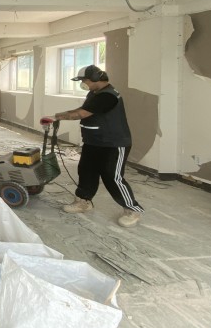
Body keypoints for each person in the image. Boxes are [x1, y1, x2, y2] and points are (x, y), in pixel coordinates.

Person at [52, 65, 144, 227]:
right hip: (93, 141)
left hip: (113, 144)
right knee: (86, 171)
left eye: (84, 80)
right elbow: (83, 109)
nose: (83, 84)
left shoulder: (108, 96)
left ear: (95, 79)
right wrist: (59, 115)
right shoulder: (95, 93)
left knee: (112, 177)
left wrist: (56, 117)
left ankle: (132, 210)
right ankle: (83, 201)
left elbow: (82, 114)